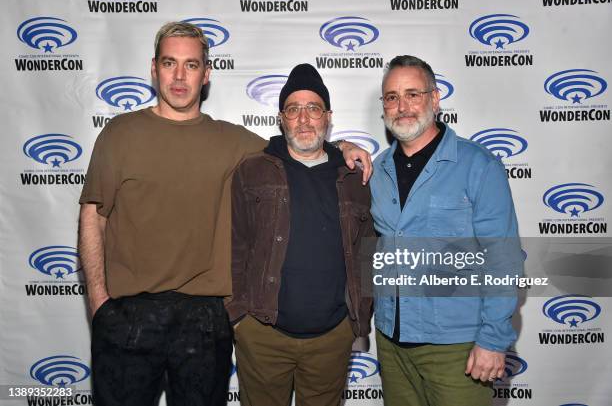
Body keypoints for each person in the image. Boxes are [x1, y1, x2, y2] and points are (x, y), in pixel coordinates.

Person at [78, 22, 371, 406]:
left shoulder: (233, 141)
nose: (180, 76)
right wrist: (99, 306)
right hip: (128, 314)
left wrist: (343, 146)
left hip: (204, 317)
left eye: (191, 64)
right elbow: (93, 216)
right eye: (170, 63)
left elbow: (298, 145)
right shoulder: (119, 133)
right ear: (154, 68)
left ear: (207, 73)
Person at [369, 55, 523, 406]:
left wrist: (493, 339)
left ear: (435, 99)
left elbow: (503, 259)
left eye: (412, 94)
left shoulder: (478, 166)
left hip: (458, 349)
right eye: (391, 97)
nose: (402, 106)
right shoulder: (378, 172)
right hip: (392, 345)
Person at [226, 63, 373, 406]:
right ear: (281, 118)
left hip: (332, 337)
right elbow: (234, 245)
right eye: (294, 109)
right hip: (262, 334)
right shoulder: (253, 169)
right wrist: (238, 317)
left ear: (327, 116)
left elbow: (369, 250)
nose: (304, 119)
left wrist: (358, 316)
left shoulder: (355, 177)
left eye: (313, 108)